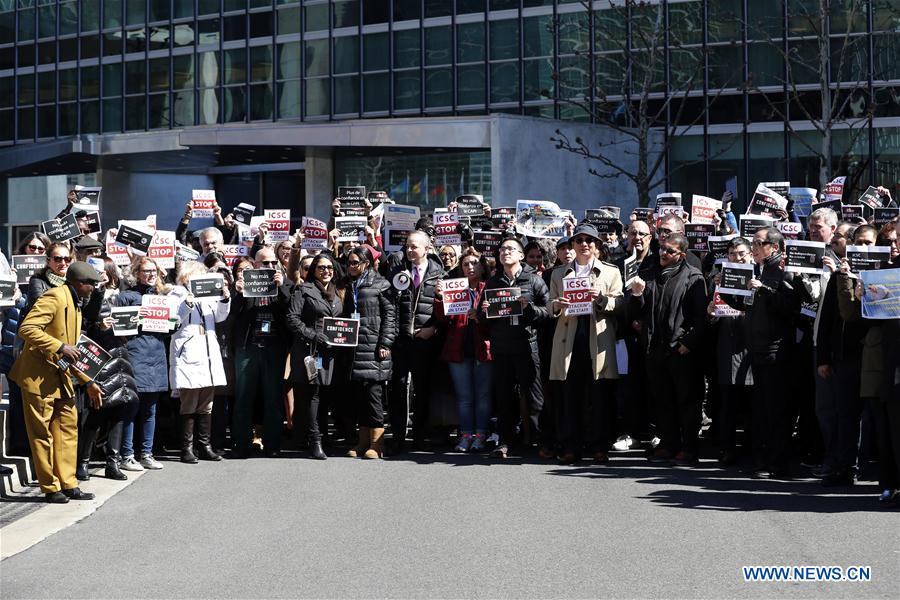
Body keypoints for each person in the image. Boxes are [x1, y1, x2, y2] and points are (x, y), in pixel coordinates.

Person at [9, 262, 104, 503]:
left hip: (61, 378)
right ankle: (51, 487)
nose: (93, 288)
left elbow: (72, 349)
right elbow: (27, 329)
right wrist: (59, 346)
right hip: (38, 379)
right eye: (90, 284)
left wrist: (87, 380)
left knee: (67, 431)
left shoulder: (76, 302)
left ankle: (69, 483)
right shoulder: (54, 297)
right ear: (78, 283)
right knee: (42, 435)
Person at [721, 227, 799, 479]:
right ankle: (764, 460)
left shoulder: (783, 271)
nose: (753, 247)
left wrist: (763, 288)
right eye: (753, 243)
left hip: (776, 352)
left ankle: (780, 463)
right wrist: (725, 289)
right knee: (762, 410)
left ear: (773, 247)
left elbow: (790, 308)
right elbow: (746, 304)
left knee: (777, 410)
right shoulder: (760, 271)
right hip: (758, 350)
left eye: (758, 243)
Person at [629, 232, 707, 466]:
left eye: (670, 250)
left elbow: (700, 317)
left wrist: (688, 342)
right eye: (662, 248)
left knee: (686, 401)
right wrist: (637, 295)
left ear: (682, 255)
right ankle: (667, 444)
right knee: (661, 400)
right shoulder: (649, 274)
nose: (663, 253)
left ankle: (689, 448)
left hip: (680, 350)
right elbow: (639, 310)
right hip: (655, 349)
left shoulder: (693, 277)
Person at [549, 224, 624, 464]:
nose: (584, 244)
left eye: (589, 240)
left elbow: (620, 304)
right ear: (572, 245)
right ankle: (570, 446)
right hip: (568, 341)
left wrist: (601, 299)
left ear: (597, 246)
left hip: (597, 340)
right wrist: (556, 306)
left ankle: (599, 446)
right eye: (579, 240)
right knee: (570, 396)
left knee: (599, 397)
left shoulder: (611, 272)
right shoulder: (559, 273)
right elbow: (549, 305)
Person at [479, 236, 551, 458]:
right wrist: (484, 311)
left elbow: (547, 313)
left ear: (521, 255)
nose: (505, 252)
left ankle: (542, 441)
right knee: (504, 398)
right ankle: (505, 442)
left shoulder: (534, 280)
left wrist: (529, 309)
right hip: (501, 348)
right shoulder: (493, 282)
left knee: (535, 398)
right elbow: (484, 320)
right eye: (502, 249)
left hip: (527, 347)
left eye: (510, 249)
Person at [386, 230, 445, 453]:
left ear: (426, 249)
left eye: (414, 247)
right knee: (398, 388)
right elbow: (390, 306)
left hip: (425, 340)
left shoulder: (440, 275)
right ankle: (399, 436)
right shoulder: (397, 272)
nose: (409, 250)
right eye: (407, 246)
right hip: (402, 341)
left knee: (423, 389)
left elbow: (450, 313)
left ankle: (420, 436)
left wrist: (434, 329)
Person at [230, 247, 291, 459]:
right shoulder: (242, 284)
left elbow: (292, 310)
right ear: (255, 264)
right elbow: (229, 316)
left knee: (273, 398)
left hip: (274, 348)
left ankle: (273, 444)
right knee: (244, 397)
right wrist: (237, 293)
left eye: (273, 262)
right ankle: (242, 444)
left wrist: (281, 288)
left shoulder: (285, 283)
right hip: (248, 348)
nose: (270, 267)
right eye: (265, 263)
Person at [168, 261, 231, 463]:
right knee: (189, 402)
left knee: (207, 404)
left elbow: (220, 317)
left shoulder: (208, 296)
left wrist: (225, 299)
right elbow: (172, 320)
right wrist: (187, 304)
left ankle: (204, 446)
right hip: (188, 352)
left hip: (208, 353)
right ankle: (186, 449)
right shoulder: (176, 294)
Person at [114, 257, 171, 472]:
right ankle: (126, 455)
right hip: (135, 354)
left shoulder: (161, 297)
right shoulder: (126, 297)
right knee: (131, 406)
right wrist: (136, 317)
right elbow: (118, 329)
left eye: (153, 271)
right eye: (146, 271)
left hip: (156, 354)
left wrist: (171, 320)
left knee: (151, 409)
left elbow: (169, 329)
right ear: (136, 273)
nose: (150, 275)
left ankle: (147, 453)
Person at [287, 254, 345, 460]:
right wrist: (313, 335)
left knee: (325, 395)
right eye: (321, 268)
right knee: (312, 396)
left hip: (330, 353)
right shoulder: (303, 290)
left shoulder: (336, 292)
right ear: (313, 270)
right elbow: (292, 319)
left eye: (329, 267)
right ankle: (314, 440)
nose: (326, 271)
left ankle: (323, 436)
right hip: (309, 351)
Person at [435, 248, 492, 453]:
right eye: (466, 264)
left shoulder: (489, 288)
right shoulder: (455, 289)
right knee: (464, 397)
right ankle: (466, 435)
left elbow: (497, 320)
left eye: (474, 263)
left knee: (483, 396)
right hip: (458, 349)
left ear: (482, 266)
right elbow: (442, 319)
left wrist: (482, 315)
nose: (470, 267)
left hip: (483, 349)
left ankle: (481, 434)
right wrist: (440, 297)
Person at [343, 246, 396, 459]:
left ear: (366, 263)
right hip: (353, 349)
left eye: (355, 262)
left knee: (373, 397)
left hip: (374, 349)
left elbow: (390, 316)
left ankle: (377, 443)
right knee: (359, 398)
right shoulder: (348, 284)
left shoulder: (381, 284)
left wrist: (386, 344)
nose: (351, 266)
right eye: (349, 263)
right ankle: (362, 441)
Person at [707, 237, 755, 465]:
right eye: (733, 254)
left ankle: (752, 447)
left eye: (742, 254)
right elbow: (710, 320)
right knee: (728, 403)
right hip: (727, 347)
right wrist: (711, 310)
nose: (738, 258)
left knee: (753, 404)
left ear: (751, 255)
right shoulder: (717, 280)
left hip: (752, 347)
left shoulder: (758, 277)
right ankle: (727, 449)